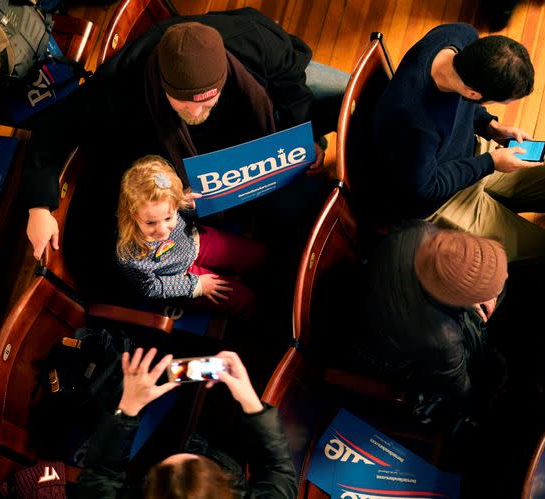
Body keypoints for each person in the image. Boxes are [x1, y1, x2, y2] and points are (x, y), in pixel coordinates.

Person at [24, 8, 331, 261]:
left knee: (345, 97)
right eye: (184, 103)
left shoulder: (253, 38)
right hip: (189, 160)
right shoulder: (119, 82)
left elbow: (293, 86)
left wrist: (306, 137)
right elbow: (54, 128)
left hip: (261, 124)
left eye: (206, 102)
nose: (196, 113)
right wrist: (39, 206)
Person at [369, 23, 545, 262]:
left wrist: (490, 126)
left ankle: (501, 207)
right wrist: (489, 163)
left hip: (468, 153)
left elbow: (462, 107)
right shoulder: (415, 123)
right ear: (473, 93)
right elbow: (425, 189)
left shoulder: (461, 37)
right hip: (438, 197)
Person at [72, 347, 297, 498]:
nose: (196, 453)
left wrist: (128, 408)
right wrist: (250, 400)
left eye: (164, 467)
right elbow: (278, 468)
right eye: (200, 463)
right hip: (229, 455)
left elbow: (100, 474)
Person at [344, 222, 508, 418]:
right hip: (376, 356)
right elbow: (458, 387)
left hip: (368, 292)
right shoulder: (443, 336)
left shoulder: (423, 231)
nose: (506, 274)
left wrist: (474, 293)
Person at [116, 155, 266, 319]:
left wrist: (188, 207)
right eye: (150, 223)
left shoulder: (168, 203)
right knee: (245, 301)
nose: (162, 230)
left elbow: (184, 212)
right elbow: (151, 288)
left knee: (259, 255)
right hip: (180, 276)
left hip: (194, 240)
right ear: (132, 216)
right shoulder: (129, 255)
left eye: (168, 218)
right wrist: (196, 285)